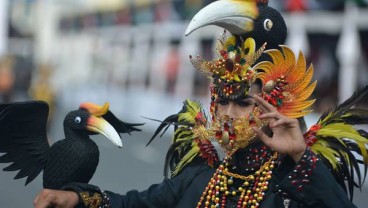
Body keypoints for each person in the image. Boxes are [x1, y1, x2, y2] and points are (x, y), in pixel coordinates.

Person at [33, 0, 368, 208]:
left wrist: (300, 155)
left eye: (241, 104)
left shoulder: (295, 189)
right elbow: (130, 203)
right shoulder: (198, 180)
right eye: (220, 102)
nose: (225, 114)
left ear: (271, 111)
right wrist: (76, 199)